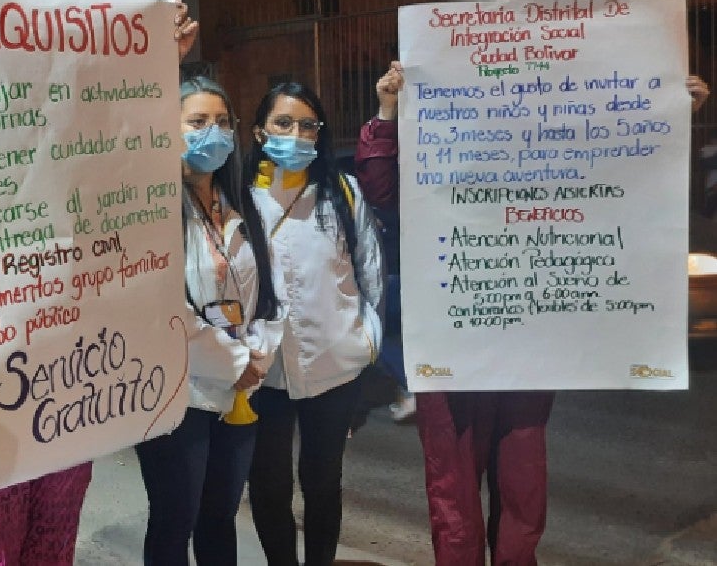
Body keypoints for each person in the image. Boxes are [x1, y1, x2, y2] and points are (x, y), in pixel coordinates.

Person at [355, 63, 709, 565]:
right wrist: (387, 112)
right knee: (453, 493)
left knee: (522, 488)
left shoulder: (552, 166)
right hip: (453, 351)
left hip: (525, 350)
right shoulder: (436, 163)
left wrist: (672, 121)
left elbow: (627, 181)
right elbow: (380, 190)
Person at [0, 8, 203, 566]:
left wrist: (160, 63)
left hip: (70, 401)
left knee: (52, 550)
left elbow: (128, 142)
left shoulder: (93, 173)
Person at [132, 74, 282, 566]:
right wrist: (234, 359)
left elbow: (267, 294)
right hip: (178, 392)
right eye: (196, 122)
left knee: (219, 517)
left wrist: (260, 353)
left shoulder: (244, 205)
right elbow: (158, 305)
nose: (211, 132)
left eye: (221, 122)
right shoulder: (150, 208)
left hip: (239, 389)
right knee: (176, 519)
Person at [245, 81, 385, 566]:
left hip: (334, 367)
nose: (296, 135)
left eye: (308, 125)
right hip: (263, 372)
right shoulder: (241, 198)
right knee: (267, 484)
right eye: (283, 123)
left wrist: (367, 340)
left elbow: (369, 271)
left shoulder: (340, 193)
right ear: (261, 130)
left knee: (323, 481)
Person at [356, 63, 414, 422]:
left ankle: (409, 387)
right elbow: (378, 185)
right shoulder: (393, 167)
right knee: (378, 335)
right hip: (399, 269)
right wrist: (387, 110)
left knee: (380, 337)